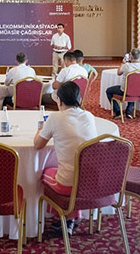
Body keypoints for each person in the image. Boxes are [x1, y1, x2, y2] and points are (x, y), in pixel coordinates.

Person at [34, 82, 98, 235]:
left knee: (44, 173)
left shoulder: (56, 118)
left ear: (59, 101)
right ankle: (71, 216)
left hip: (67, 184)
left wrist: (40, 130)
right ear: (79, 98)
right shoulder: (89, 116)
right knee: (74, 172)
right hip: (91, 182)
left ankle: (64, 217)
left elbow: (38, 145)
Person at [106, 48, 140, 119]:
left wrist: (123, 63)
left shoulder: (126, 66)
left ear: (130, 57)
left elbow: (118, 73)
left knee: (109, 91)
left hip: (126, 91)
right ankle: (129, 111)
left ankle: (118, 112)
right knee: (133, 87)